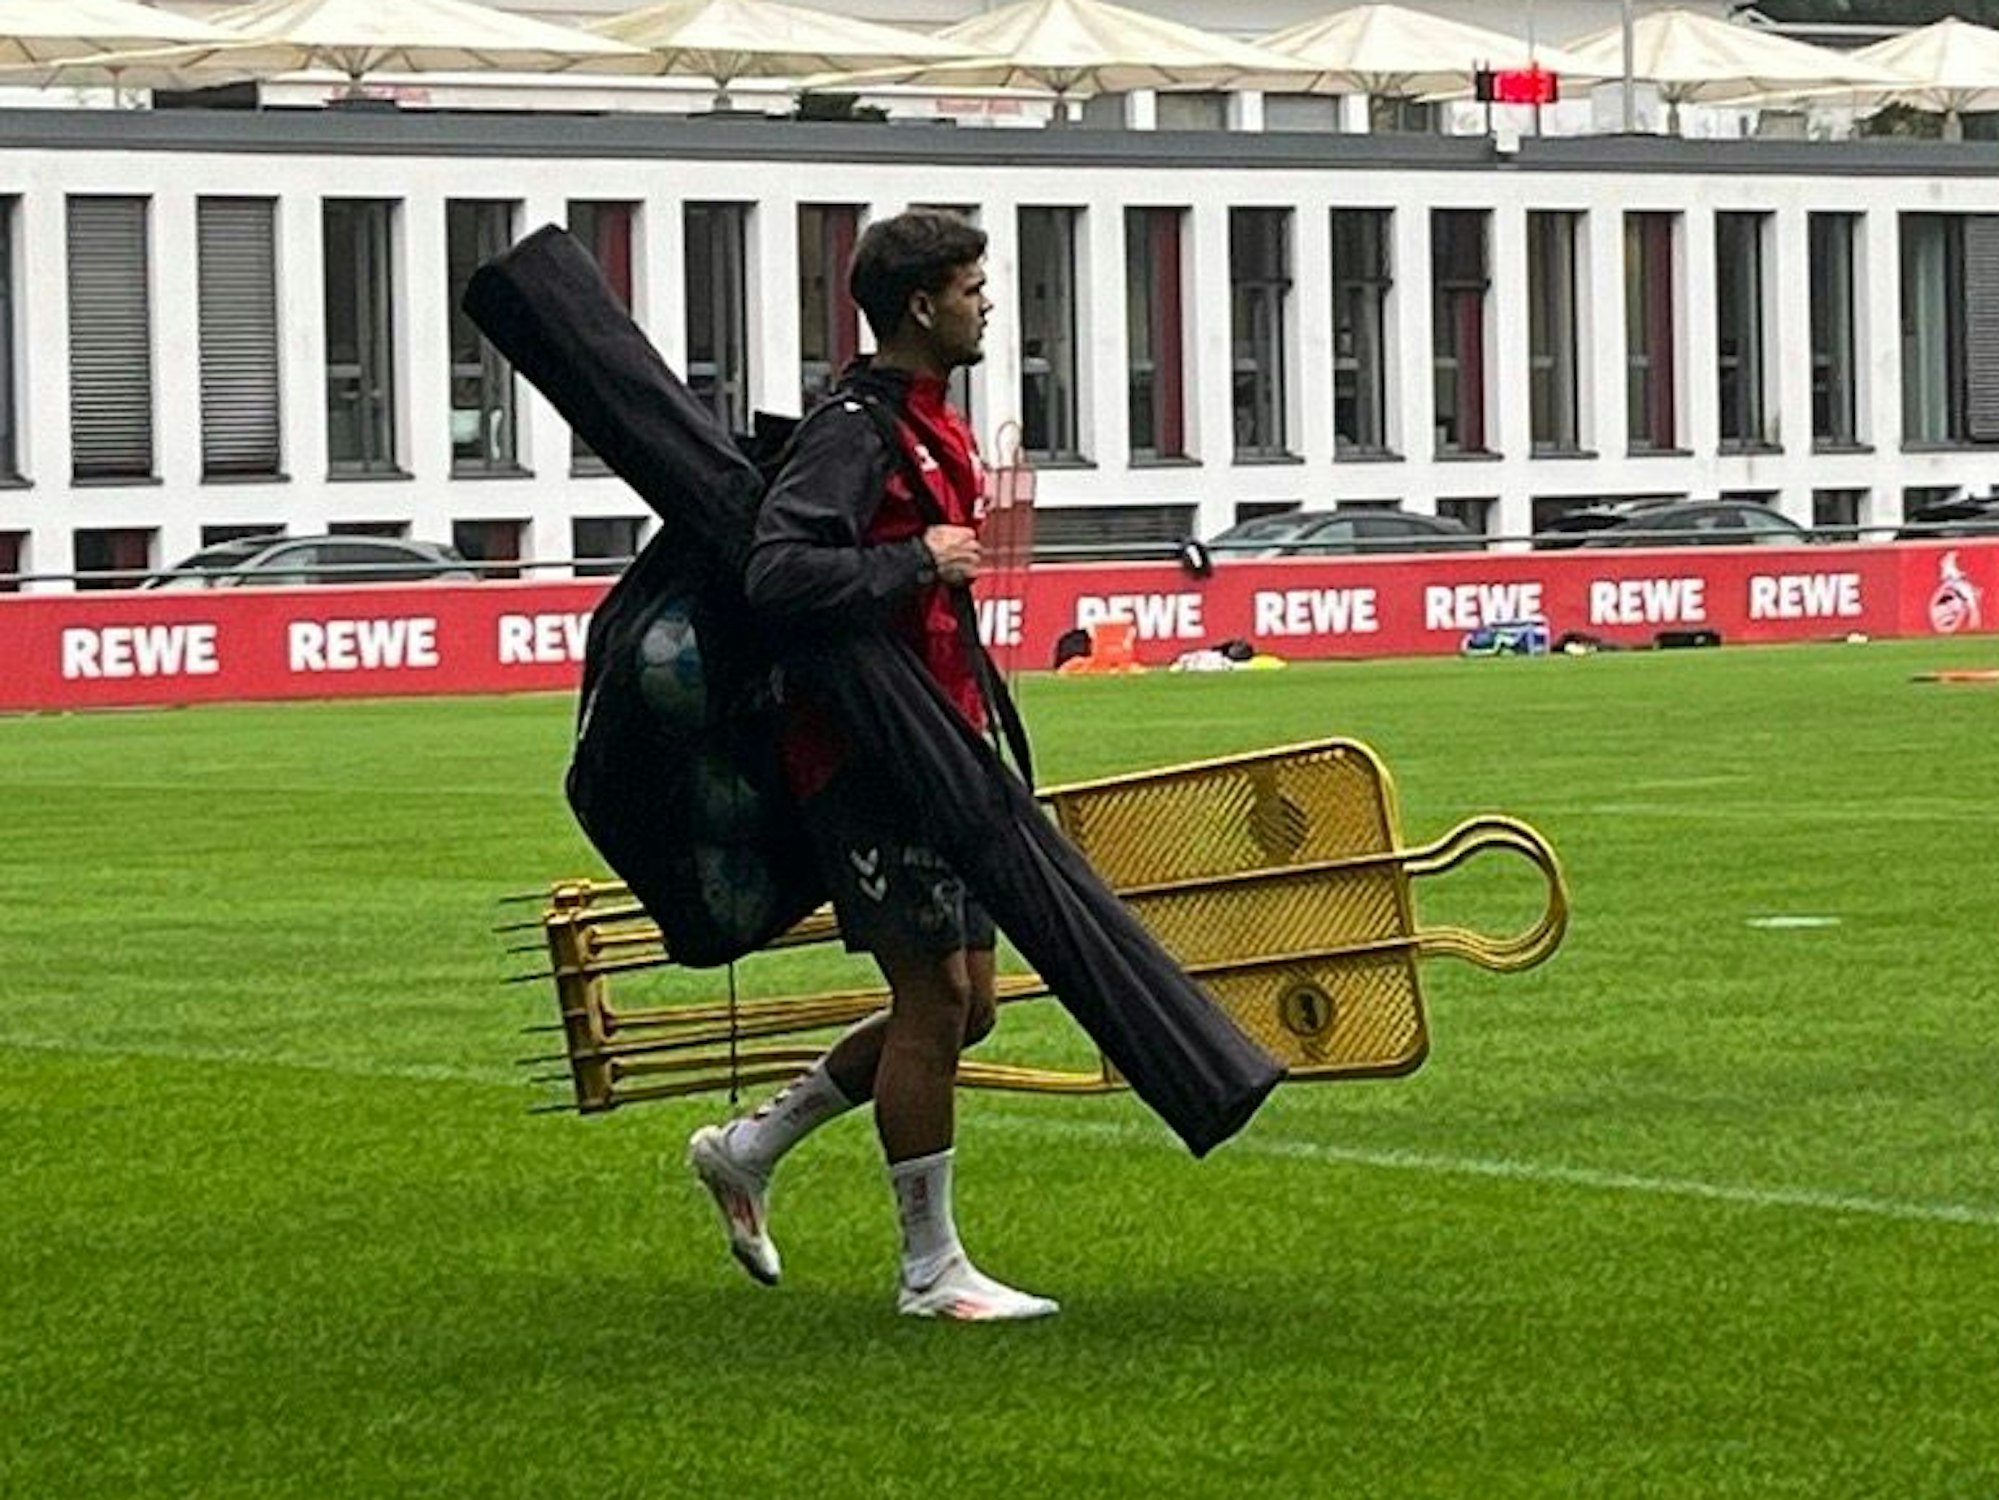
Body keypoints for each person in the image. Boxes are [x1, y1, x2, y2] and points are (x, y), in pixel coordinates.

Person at [684, 209, 1057, 1323]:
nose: (986, 302)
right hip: (869, 756)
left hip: (940, 743)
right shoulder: (853, 427)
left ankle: (747, 1147)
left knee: (970, 1006)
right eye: (970, 285)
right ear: (918, 305)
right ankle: (928, 1271)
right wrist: (914, 560)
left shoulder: (928, 418)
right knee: (933, 998)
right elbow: (778, 572)